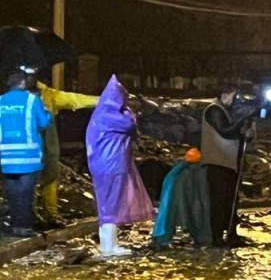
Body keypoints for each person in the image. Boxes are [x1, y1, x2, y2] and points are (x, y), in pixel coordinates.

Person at [86, 76, 153, 256]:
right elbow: (131, 125)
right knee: (110, 205)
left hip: (105, 165)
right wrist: (130, 111)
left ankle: (110, 244)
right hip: (112, 165)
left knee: (108, 205)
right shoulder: (112, 116)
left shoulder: (101, 113)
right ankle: (109, 247)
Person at [28, 73, 98, 225]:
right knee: (32, 181)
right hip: (33, 147)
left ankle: (48, 214)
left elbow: (76, 99)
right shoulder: (44, 96)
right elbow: (75, 100)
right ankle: (34, 214)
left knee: (48, 179)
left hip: (42, 147)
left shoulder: (47, 95)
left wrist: (103, 100)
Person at [0, 68, 52, 238]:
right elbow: (44, 122)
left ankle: (16, 226)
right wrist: (48, 112)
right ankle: (25, 227)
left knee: (13, 193)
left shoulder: (1, 101)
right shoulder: (32, 100)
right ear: (23, 82)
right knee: (26, 193)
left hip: (6, 157)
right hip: (28, 156)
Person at [201, 84, 255, 246]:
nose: (234, 101)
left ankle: (231, 234)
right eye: (233, 96)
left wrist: (248, 127)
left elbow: (239, 135)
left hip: (230, 163)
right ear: (224, 95)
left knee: (231, 202)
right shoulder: (214, 110)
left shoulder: (226, 112)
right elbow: (224, 131)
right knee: (219, 201)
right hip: (217, 162)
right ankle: (217, 237)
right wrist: (243, 121)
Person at [153, 148, 212, 248]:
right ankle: (202, 237)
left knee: (172, 208)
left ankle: (162, 238)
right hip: (198, 168)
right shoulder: (197, 173)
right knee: (197, 206)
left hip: (186, 171)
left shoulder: (176, 173)